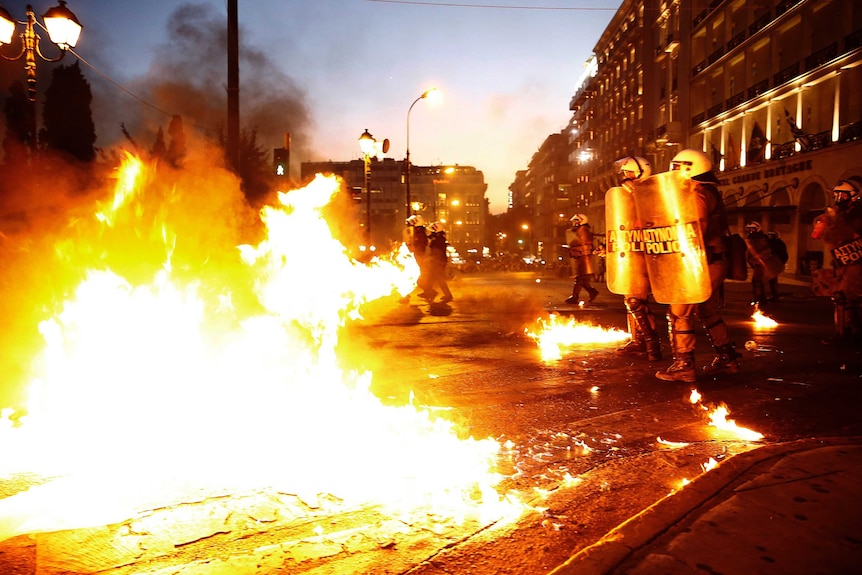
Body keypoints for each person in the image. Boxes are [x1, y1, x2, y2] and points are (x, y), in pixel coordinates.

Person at [655, 149, 740, 383]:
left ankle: (684, 365)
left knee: (679, 311)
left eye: (677, 167)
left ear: (690, 168)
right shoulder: (704, 191)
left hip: (702, 262)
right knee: (707, 311)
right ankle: (727, 359)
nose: (672, 172)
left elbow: (695, 226)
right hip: (711, 260)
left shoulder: (697, 193)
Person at [609, 156, 662, 361]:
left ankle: (651, 345)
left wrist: (637, 192)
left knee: (636, 301)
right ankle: (638, 341)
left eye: (628, 173)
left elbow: (654, 218)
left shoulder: (652, 192)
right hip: (632, 250)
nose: (625, 177)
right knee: (629, 299)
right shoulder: (626, 195)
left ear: (640, 172)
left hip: (647, 252)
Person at [811, 178, 862, 344]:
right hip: (845, 260)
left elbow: (849, 234)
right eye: (837, 195)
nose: (839, 199)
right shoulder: (841, 213)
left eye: (843, 195)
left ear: (853, 196)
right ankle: (854, 330)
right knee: (848, 298)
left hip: (857, 261)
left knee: (843, 295)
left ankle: (843, 334)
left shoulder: (858, 213)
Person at [565, 214, 599, 304]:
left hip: (583, 257)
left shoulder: (583, 230)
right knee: (582, 279)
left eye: (576, 221)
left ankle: (575, 297)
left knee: (580, 278)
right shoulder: (581, 230)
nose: (574, 223)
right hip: (580, 257)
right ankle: (592, 292)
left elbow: (578, 242)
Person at [744, 221, 772, 307]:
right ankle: (762, 299)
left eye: (752, 228)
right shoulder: (752, 237)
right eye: (749, 229)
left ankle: (758, 299)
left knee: (757, 281)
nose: (751, 230)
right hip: (756, 262)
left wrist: (758, 258)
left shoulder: (761, 238)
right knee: (759, 281)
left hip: (760, 263)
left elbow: (766, 250)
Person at [405, 215, 433, 299]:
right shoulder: (418, 231)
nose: (410, 224)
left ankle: (429, 291)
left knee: (418, 276)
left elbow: (419, 245)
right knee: (417, 276)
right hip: (417, 255)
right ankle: (428, 291)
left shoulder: (418, 232)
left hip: (418, 255)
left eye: (412, 222)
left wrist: (412, 248)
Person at [426, 221, 453, 303]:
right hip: (439, 260)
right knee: (434, 277)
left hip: (439, 261)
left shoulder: (439, 238)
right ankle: (430, 292)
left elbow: (436, 249)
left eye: (433, 229)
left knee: (439, 278)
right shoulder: (439, 236)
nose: (432, 231)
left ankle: (447, 295)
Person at [766, 230, 789, 301]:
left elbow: (784, 254)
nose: (770, 237)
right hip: (770, 264)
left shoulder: (778, 243)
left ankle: (774, 295)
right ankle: (774, 294)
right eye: (769, 235)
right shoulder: (769, 243)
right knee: (771, 280)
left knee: (773, 280)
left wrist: (780, 262)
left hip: (774, 264)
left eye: (771, 235)